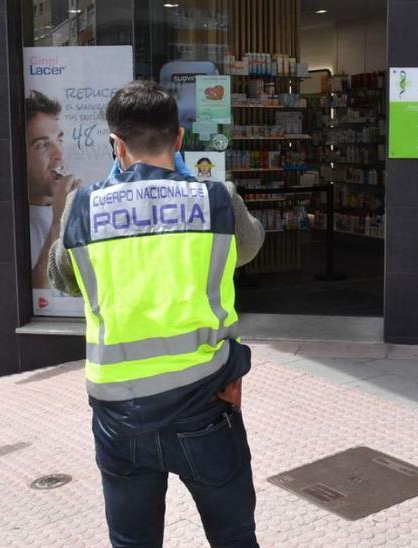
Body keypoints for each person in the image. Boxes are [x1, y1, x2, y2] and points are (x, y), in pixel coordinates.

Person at [49, 80, 265, 547]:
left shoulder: (82, 208)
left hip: (118, 417)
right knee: (234, 538)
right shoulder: (217, 199)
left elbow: (63, 279)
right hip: (206, 408)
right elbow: (249, 246)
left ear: (116, 145)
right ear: (180, 140)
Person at [26, 90, 82, 290]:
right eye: (42, 146)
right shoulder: (13, 223)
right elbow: (40, 294)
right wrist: (59, 218)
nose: (59, 154)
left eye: (58, 140)